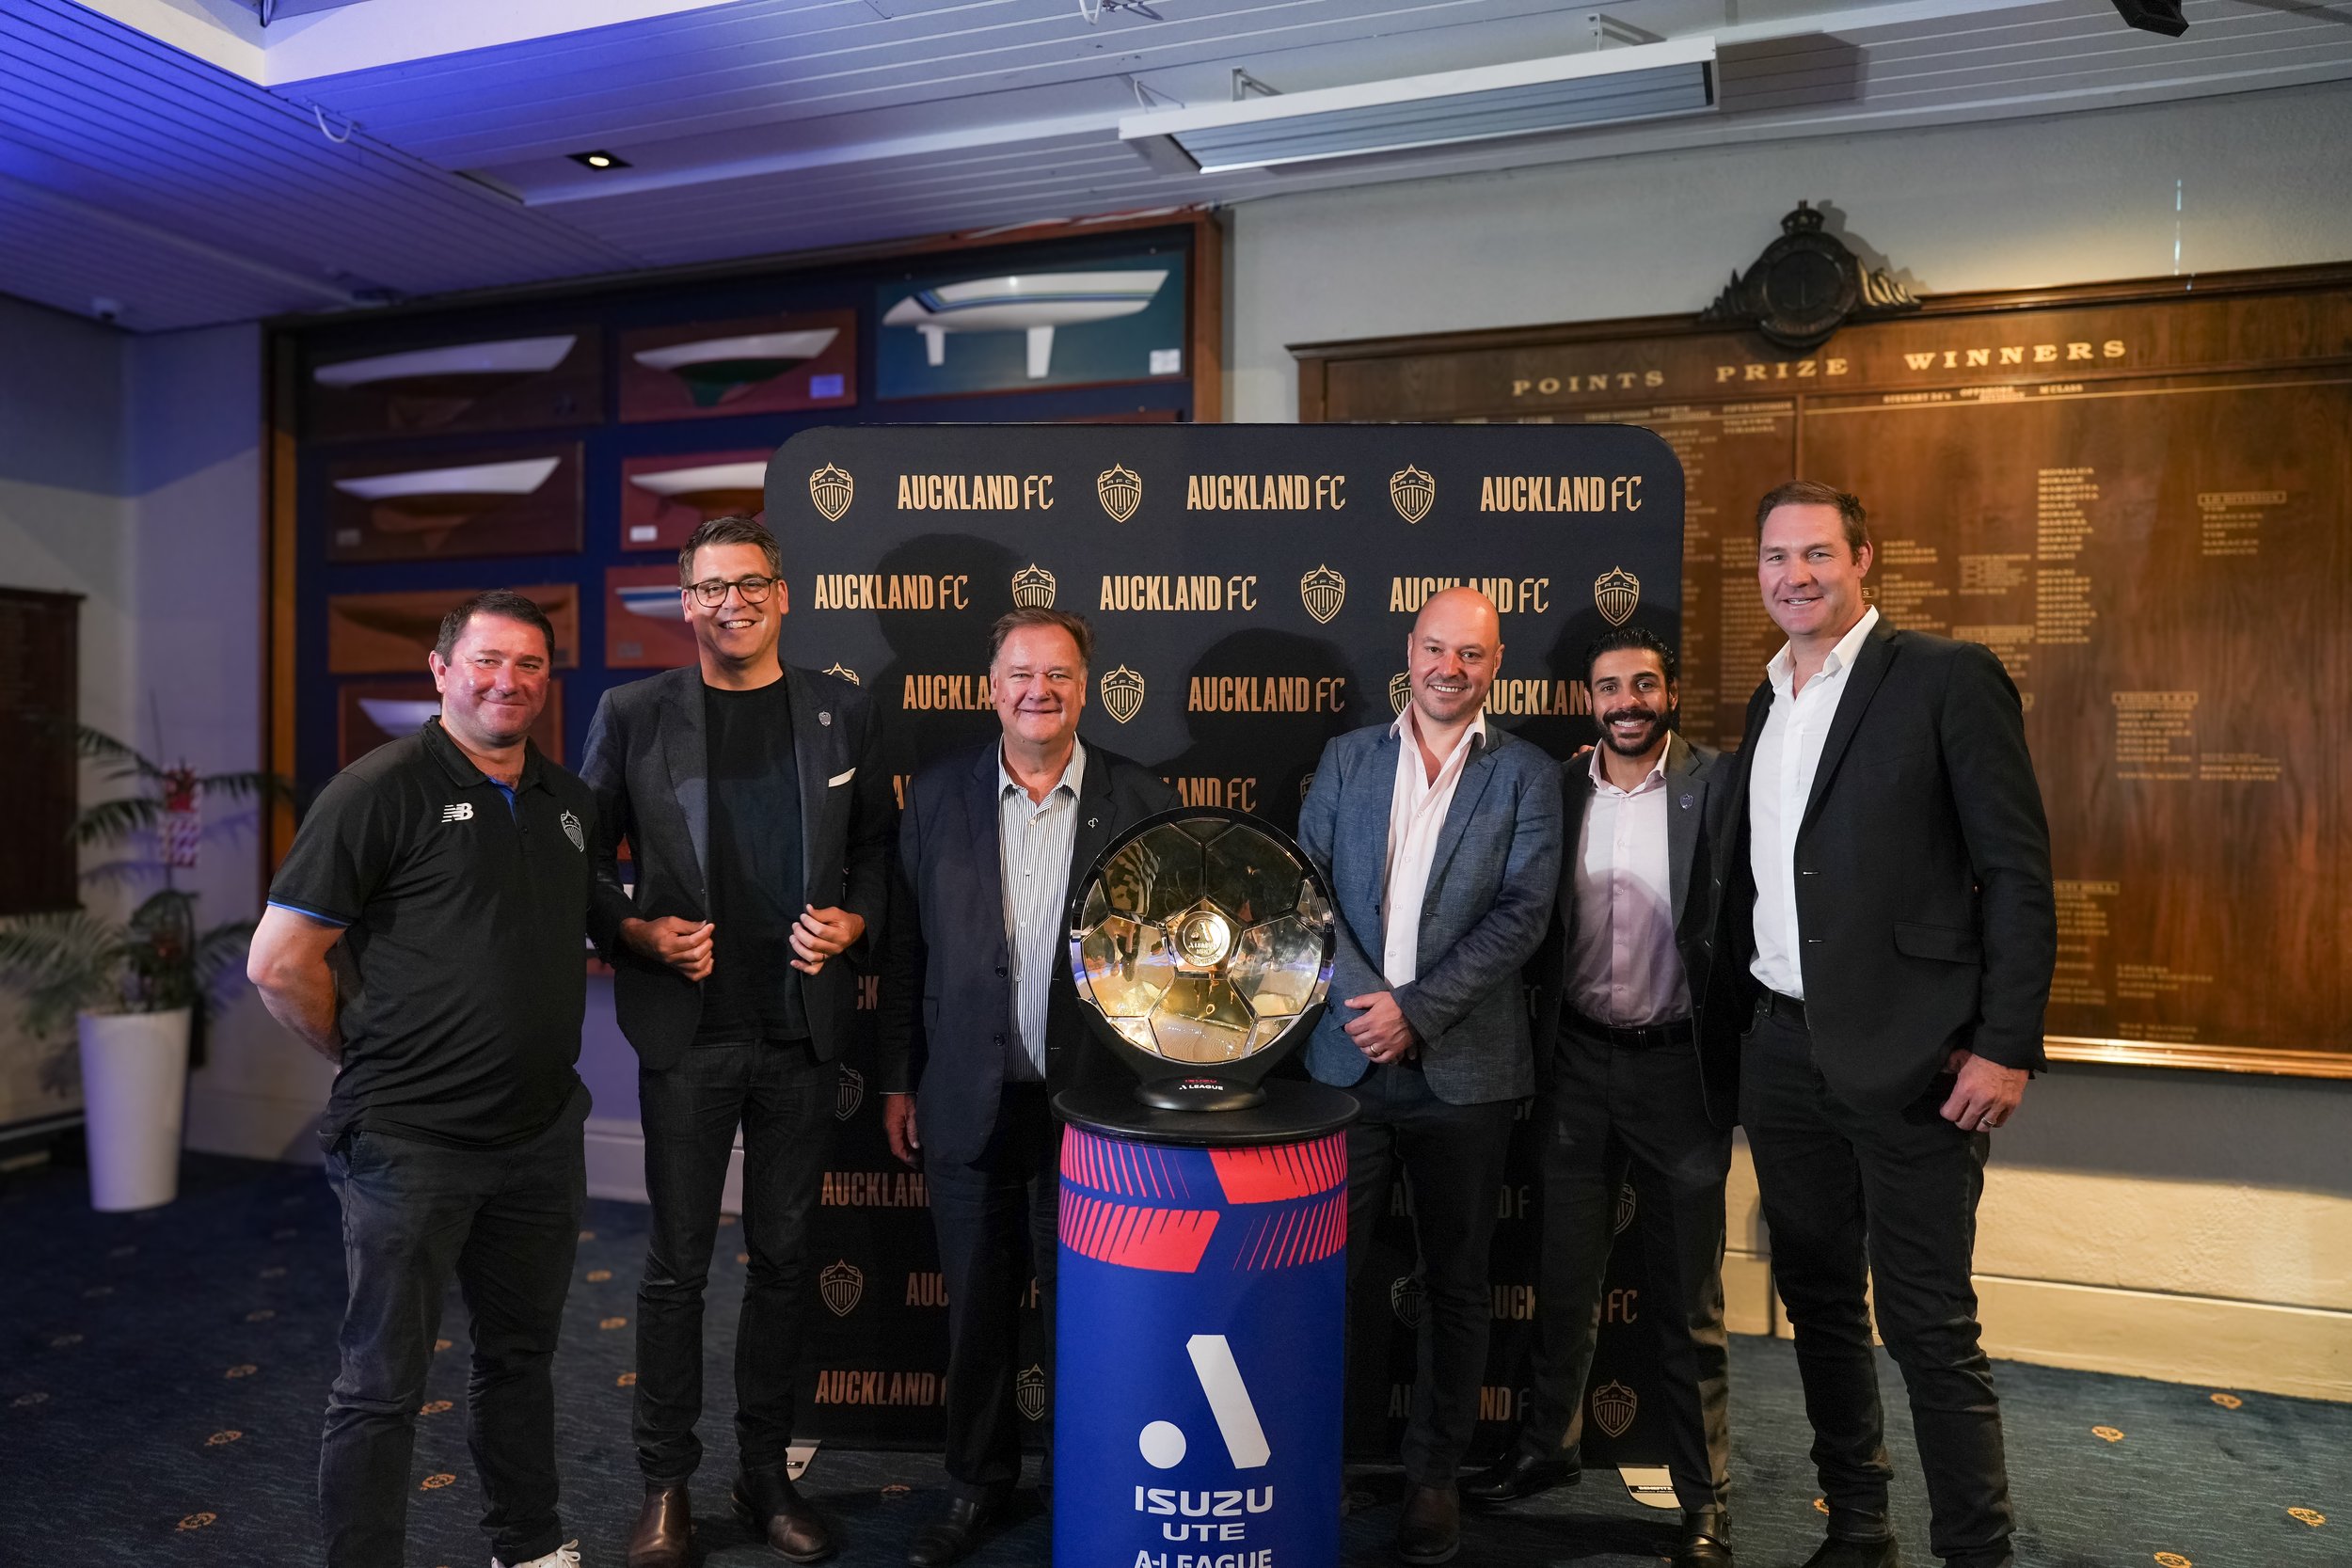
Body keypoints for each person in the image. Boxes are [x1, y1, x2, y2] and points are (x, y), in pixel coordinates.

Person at [1711, 480, 2055, 1568]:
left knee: (1926, 1325)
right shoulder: (1767, 698)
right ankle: (1857, 1524)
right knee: (1814, 1295)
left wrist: (2005, 1042)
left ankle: (1976, 1553)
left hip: (1916, 1058)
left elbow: (2015, 872)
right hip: (1780, 1049)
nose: (1794, 574)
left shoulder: (1946, 678)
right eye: (1775, 557)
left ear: (1865, 559)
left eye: (1817, 552)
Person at [246, 591, 598, 1568]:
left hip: (537, 1137)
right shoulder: (379, 787)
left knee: (519, 1358)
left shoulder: (569, 800)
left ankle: (526, 1544)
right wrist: (363, 1057)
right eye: (487, 659)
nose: (508, 680)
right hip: (410, 1143)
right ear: (440, 670)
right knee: (381, 1384)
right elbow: (279, 962)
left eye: (529, 664)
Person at [578, 514, 892, 1567]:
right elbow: (582, 860)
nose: (731, 602)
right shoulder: (632, 712)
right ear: (684, 599)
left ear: (781, 595)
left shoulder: (841, 710)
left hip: (800, 1032)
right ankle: (664, 1483)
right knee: (673, 1268)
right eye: (709, 587)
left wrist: (852, 921)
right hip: (689, 1033)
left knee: (785, 1260)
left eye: (749, 584)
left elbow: (878, 856)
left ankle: (765, 1477)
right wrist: (634, 928)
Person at [877, 607, 1178, 1568]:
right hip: (966, 1100)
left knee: (1089, 1318)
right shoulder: (933, 796)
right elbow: (906, 952)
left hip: (1093, 1111)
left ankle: (1091, 1485)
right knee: (976, 1312)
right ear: (991, 686)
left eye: (1057, 673)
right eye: (1019, 673)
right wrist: (897, 1081)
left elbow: (1176, 968)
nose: (1037, 688)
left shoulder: (1141, 799)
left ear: (1085, 686)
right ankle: (972, 1485)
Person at [1295, 586, 1563, 1567]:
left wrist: (1419, 1010)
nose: (1453, 668)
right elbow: (1304, 891)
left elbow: (1523, 914)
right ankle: (1333, 1454)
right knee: (1332, 1277)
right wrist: (1372, 1006)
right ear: (1409, 649)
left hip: (1468, 1072)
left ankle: (1434, 1473)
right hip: (1346, 1060)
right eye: (1438, 649)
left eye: (1474, 655)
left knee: (1456, 1283)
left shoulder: (1528, 775)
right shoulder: (1346, 756)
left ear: (1496, 663)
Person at [1463, 625, 1736, 1568]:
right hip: (1575, 1063)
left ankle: (1706, 1500)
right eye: (1609, 686)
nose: (1626, 700)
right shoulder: (1558, 786)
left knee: (1686, 1297)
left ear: (1670, 691)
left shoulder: (1719, 787)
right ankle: (1546, 1447)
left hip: (1678, 1073)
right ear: (1588, 698)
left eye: (1644, 684)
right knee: (1564, 1277)